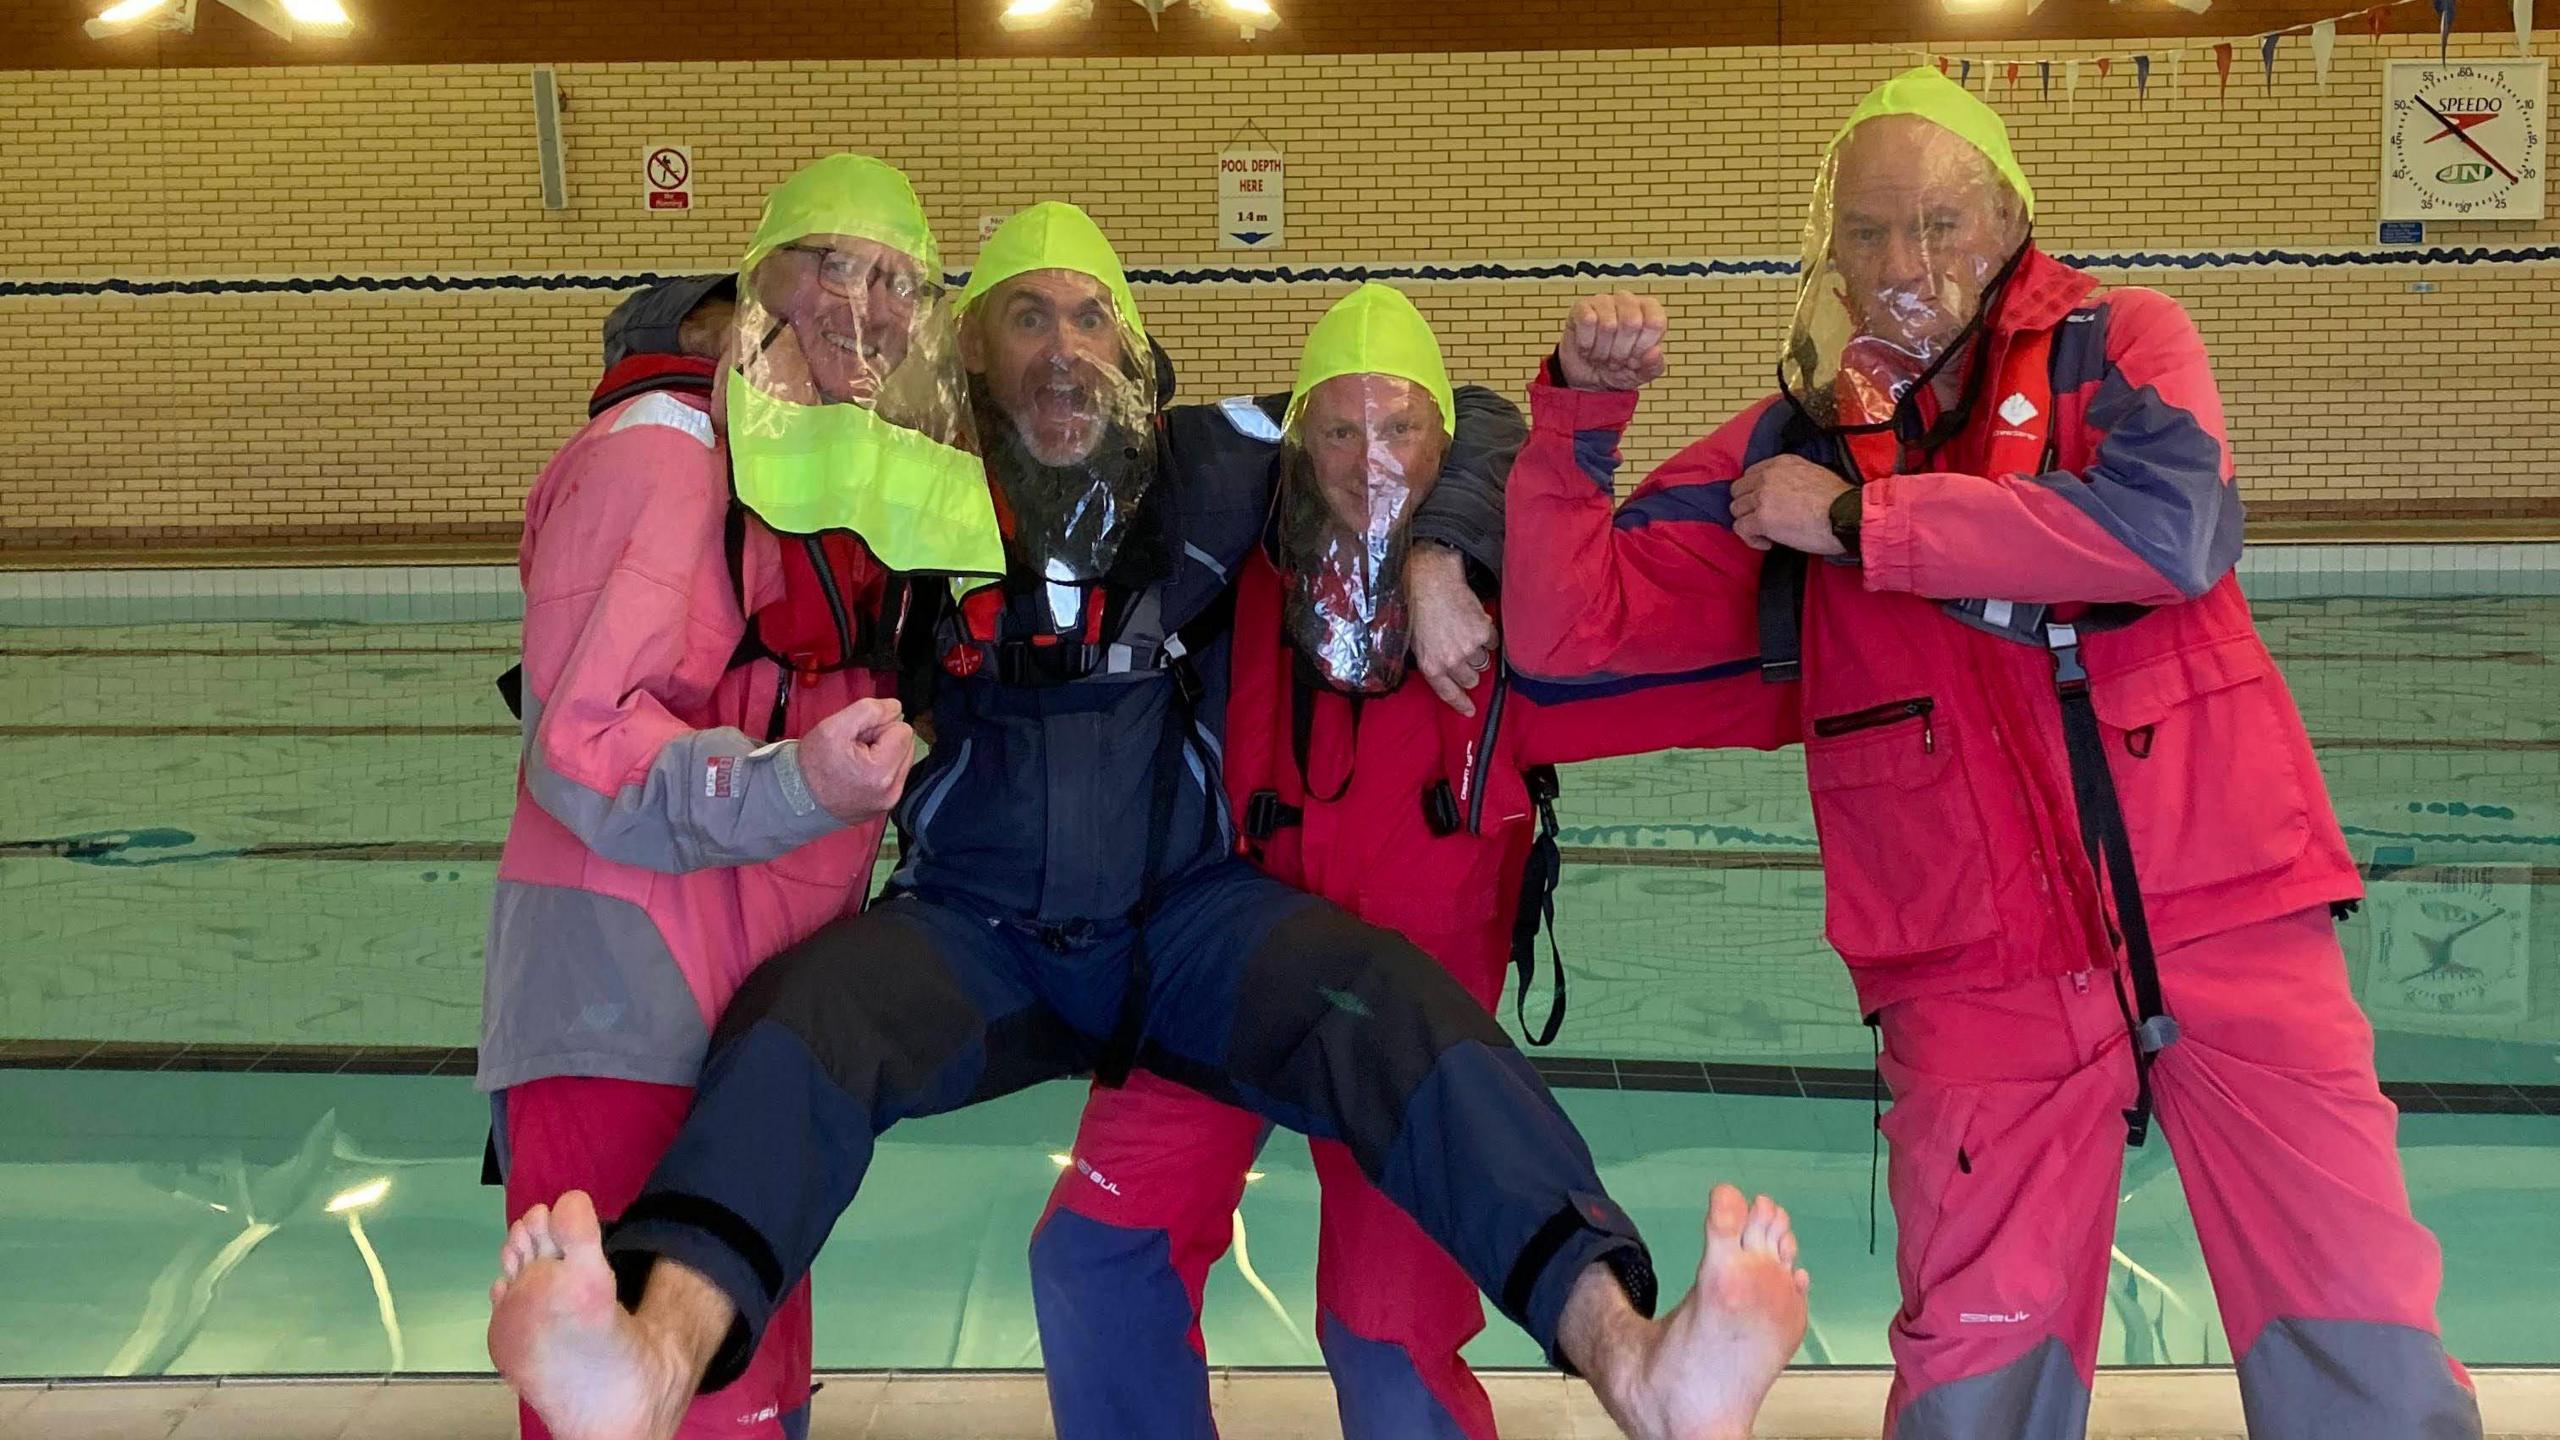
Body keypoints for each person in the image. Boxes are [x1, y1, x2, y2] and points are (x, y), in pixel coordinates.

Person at [488, 205, 1811, 1440]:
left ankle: (1634, 1349)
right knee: (801, 1022)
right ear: (971, 355)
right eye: (1026, 319)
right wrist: (735, 327)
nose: (1063, 350)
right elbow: (723, 402)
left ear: (1130, 349)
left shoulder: (1208, 461)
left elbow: (1431, 412)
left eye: (1089, 320)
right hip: (976, 935)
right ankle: (653, 1354)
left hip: (1182, 927)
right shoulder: (905, 484)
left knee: (1391, 1007)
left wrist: (1436, 554)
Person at [1501, 66, 2479, 1440]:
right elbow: (1568, 645)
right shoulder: (1791, 445)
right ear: (1830, 254)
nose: (1908, 264)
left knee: (2365, 1358)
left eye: (1942, 224)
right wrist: (1573, 427)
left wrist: (1864, 525)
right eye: (1871, 232)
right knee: (1975, 1399)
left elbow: (2165, 536)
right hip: (1976, 983)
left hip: (2225, 921)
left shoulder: (2118, 345)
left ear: (2011, 221)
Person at [1030, 282, 1801, 1440]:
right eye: (1337, 429)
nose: (1368, 458)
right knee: (1090, 1255)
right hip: (1232, 970)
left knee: (1384, 1338)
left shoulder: (1506, 621)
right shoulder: (1231, 579)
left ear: (1446, 443)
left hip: (1409, 1024)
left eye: (1399, 429)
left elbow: (1669, 635)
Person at [479, 153, 1004, 1440]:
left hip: (750, 1000)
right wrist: (794, 783)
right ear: (751, 284)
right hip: (628, 992)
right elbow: (585, 743)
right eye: (830, 264)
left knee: (742, 1381)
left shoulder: (822, 471)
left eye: (895, 281)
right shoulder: (659, 459)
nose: (864, 303)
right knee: (651, 1393)